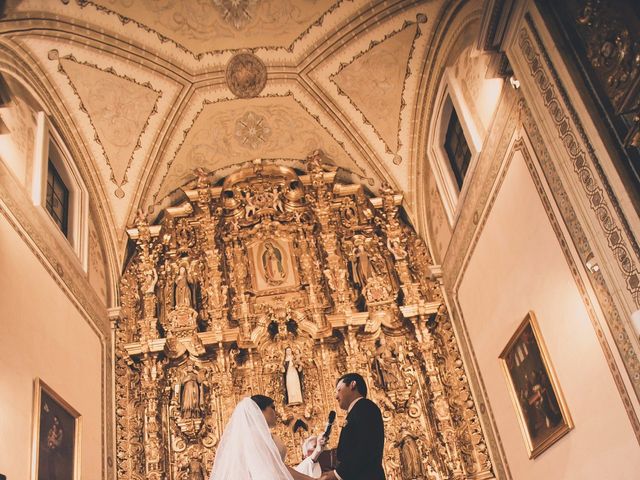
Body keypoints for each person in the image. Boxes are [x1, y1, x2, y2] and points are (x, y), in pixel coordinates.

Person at [208, 395, 315, 480]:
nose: (276, 413)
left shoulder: (258, 435)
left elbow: (279, 467)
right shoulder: (254, 436)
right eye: (272, 408)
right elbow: (272, 470)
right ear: (259, 411)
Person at [320, 373, 385, 480]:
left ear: (352, 385)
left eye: (339, 390)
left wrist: (337, 474)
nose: (336, 396)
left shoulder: (365, 407)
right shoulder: (357, 410)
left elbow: (364, 447)